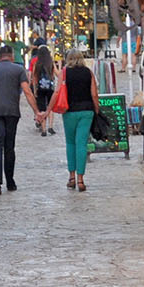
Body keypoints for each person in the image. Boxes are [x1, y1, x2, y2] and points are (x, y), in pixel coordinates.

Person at [0, 44, 43, 196]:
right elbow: (27, 92)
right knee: (9, 147)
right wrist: (36, 111)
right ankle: (10, 181)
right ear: (12, 56)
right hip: (12, 112)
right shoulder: (18, 70)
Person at [61, 53, 101, 191]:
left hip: (69, 111)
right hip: (86, 111)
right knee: (82, 144)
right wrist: (97, 109)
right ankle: (81, 180)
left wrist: (48, 110)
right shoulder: (88, 73)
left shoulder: (65, 72)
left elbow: (57, 92)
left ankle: (71, 177)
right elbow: (94, 94)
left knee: (70, 143)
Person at [31, 44, 57, 136]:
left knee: (42, 108)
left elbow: (34, 78)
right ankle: (50, 126)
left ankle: (43, 130)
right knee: (50, 107)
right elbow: (57, 74)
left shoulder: (36, 63)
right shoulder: (51, 63)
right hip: (50, 88)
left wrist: (34, 90)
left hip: (40, 88)